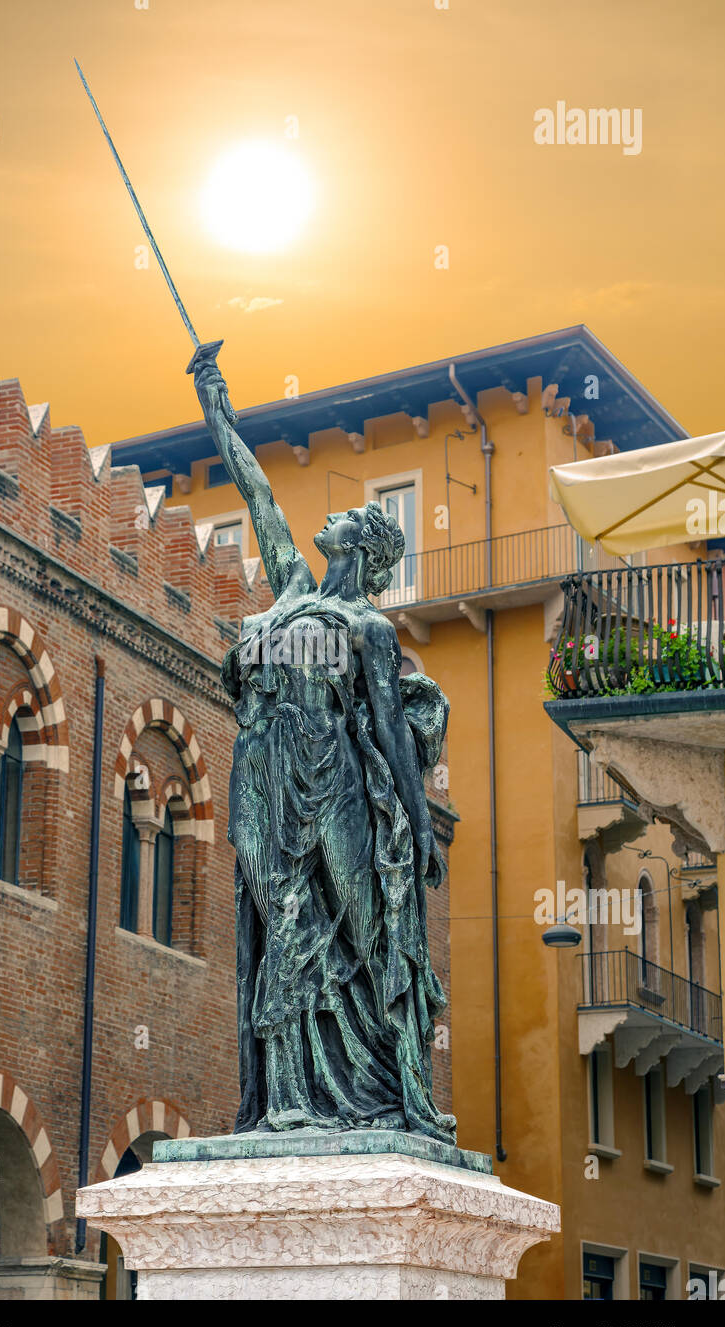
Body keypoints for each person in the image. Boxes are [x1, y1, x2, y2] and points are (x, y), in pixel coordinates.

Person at [194, 358, 457, 1142]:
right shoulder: (289, 589)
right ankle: (286, 1098)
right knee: (283, 923)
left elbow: (392, 741)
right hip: (265, 775)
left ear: (366, 548)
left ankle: (386, 1085)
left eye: (353, 518)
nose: (335, 515)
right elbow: (259, 495)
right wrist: (219, 413)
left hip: (337, 780)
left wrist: (419, 835)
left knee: (362, 928)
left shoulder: (371, 632)